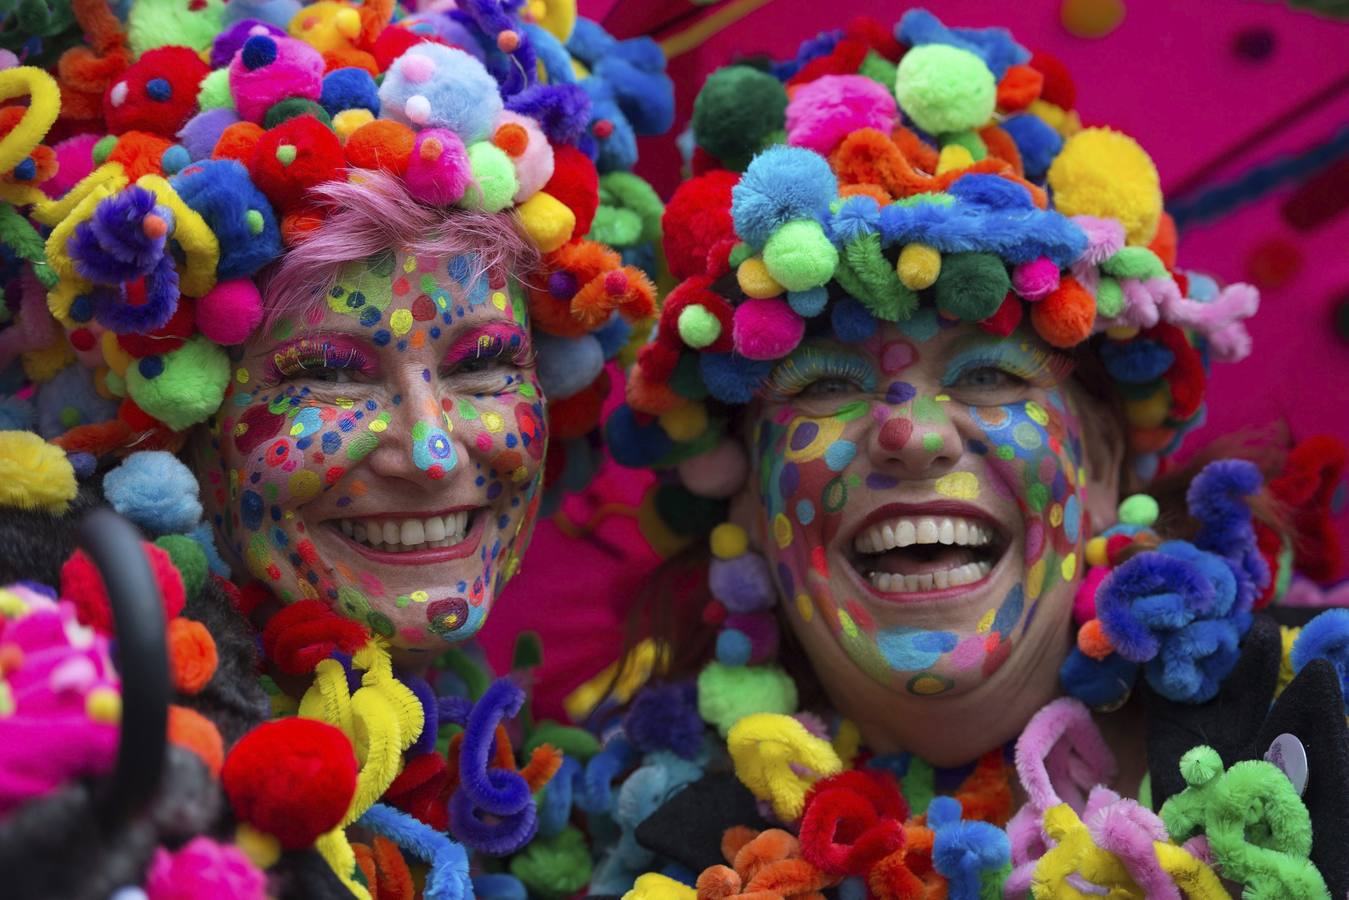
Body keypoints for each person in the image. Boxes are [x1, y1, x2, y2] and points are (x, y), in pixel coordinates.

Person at [590, 9, 1349, 898]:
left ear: (1103, 470)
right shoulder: (650, 841)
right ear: (744, 503)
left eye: (992, 373)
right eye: (825, 386)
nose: (912, 434)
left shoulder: (1319, 724)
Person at [0, 0, 674, 896]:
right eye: (330, 375)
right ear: (173, 421)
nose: (433, 453)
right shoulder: (69, 765)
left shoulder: (565, 798)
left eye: (482, 364)